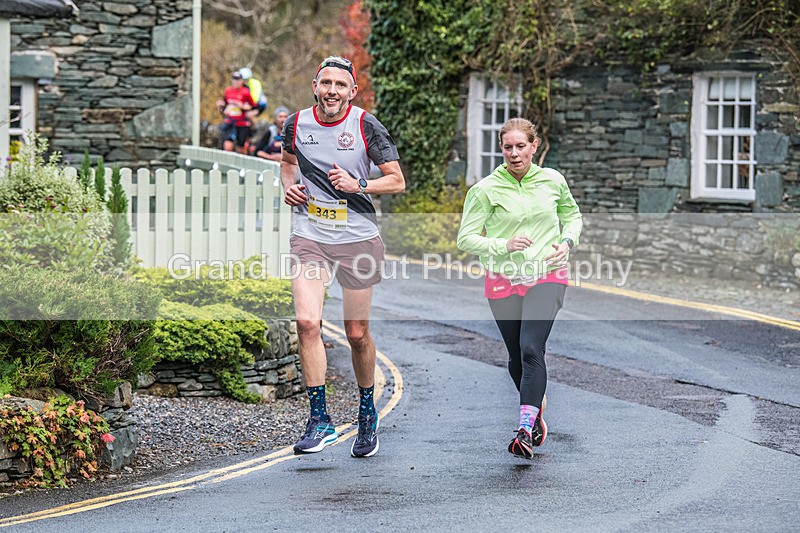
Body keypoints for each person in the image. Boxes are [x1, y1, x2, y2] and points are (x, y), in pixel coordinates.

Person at [281, 56, 405, 458]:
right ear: (314, 85)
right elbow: (287, 165)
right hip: (310, 235)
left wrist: (359, 183)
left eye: (341, 85)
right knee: (306, 323)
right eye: (326, 83)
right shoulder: (295, 124)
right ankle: (320, 420)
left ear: (352, 92)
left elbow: (397, 180)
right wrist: (290, 188)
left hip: (357, 239)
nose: (332, 90)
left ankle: (367, 412)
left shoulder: (366, 125)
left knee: (355, 333)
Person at [456, 117, 582, 460]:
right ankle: (536, 410)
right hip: (502, 278)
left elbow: (572, 216)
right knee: (516, 356)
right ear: (501, 149)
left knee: (530, 348)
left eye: (521, 146)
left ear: (534, 146)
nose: (514, 153)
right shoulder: (484, 190)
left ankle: (524, 428)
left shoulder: (553, 180)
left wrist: (567, 242)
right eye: (508, 147)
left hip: (547, 273)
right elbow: (465, 238)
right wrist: (503, 244)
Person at [216, 70, 255, 153]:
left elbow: (252, 106)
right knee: (227, 146)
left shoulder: (246, 92)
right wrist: (221, 104)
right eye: (234, 79)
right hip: (230, 121)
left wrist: (242, 106)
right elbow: (225, 103)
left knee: (241, 148)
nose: (236, 82)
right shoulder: (228, 91)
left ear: (242, 81)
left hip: (242, 122)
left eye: (238, 79)